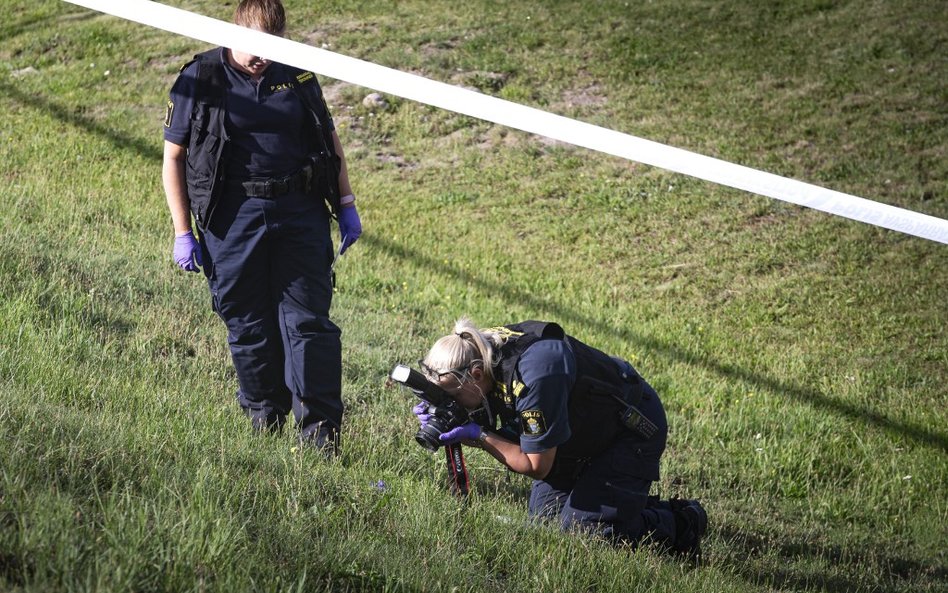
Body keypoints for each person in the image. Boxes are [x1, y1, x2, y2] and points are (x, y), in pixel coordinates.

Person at [161, 0, 360, 452]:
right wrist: (182, 232)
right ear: (234, 30)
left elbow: (329, 139)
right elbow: (173, 157)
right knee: (248, 323)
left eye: (271, 46)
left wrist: (346, 202)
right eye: (253, 45)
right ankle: (263, 421)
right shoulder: (200, 77)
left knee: (309, 324)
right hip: (232, 217)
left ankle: (321, 436)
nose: (261, 56)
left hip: (299, 211)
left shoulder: (299, 75)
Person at [413, 319, 707, 557]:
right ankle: (623, 503)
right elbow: (498, 414)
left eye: (451, 396)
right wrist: (446, 410)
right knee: (547, 526)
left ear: (476, 374)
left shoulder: (534, 377)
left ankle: (682, 521)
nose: (450, 403)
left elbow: (536, 464)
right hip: (576, 436)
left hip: (629, 432)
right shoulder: (477, 349)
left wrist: (478, 435)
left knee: (587, 535)